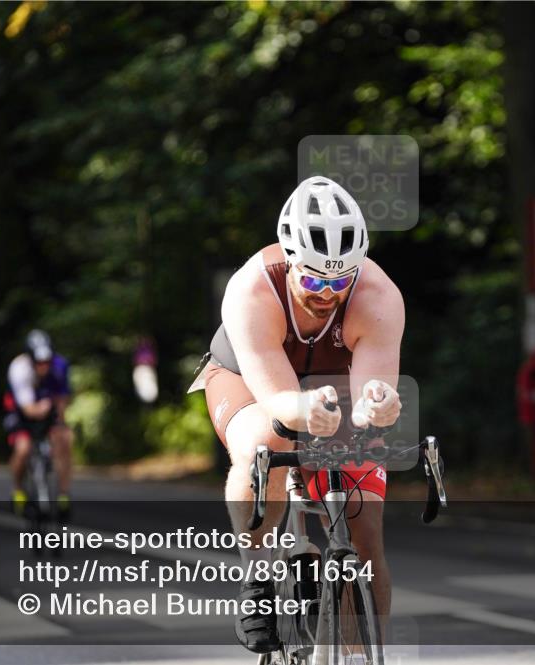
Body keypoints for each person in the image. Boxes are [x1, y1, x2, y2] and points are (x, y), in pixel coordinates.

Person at [194, 176, 404, 653]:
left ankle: (361, 650)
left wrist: (379, 403)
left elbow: (375, 388)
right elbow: (280, 401)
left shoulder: (379, 296)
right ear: (289, 261)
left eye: (339, 280)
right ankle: (257, 576)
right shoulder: (252, 289)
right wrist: (301, 409)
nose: (326, 293)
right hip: (248, 378)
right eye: (311, 279)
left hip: (332, 382)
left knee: (366, 535)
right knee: (265, 444)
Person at [3, 329, 74, 520]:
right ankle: (18, 490)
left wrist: (59, 421)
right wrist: (40, 408)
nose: (43, 366)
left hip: (47, 408)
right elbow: (28, 409)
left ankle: (63, 495)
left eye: (47, 361)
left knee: (64, 439)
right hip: (22, 411)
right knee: (23, 449)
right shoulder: (19, 369)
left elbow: (62, 398)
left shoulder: (60, 366)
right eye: (39, 362)